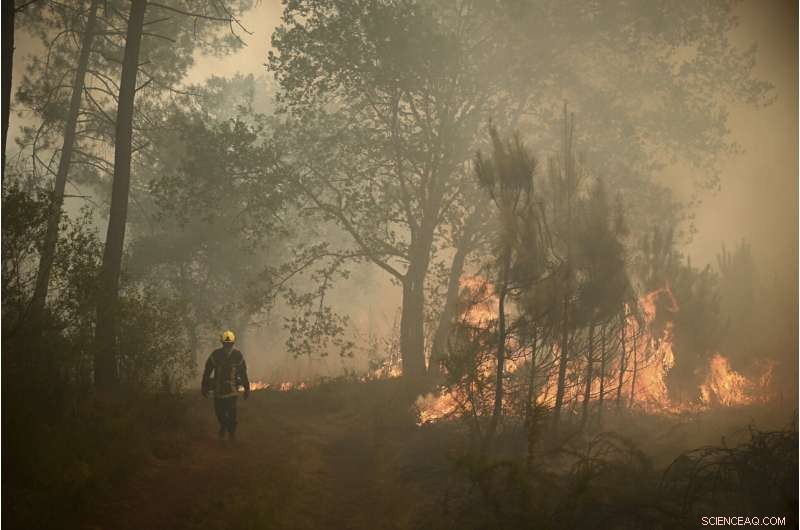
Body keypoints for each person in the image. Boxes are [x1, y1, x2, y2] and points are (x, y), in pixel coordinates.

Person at [201, 330, 250, 440]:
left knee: (232, 413)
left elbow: (243, 372)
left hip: (232, 391)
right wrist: (204, 386)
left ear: (233, 343)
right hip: (218, 391)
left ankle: (231, 434)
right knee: (219, 413)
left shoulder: (238, 355)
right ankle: (224, 426)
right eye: (226, 344)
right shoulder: (216, 354)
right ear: (222, 343)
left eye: (230, 344)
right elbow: (207, 371)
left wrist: (247, 388)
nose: (228, 346)